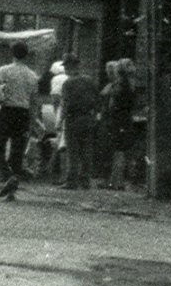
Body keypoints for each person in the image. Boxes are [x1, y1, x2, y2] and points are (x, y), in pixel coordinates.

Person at [0, 41, 40, 202]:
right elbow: (34, 101)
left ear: (12, 53)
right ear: (27, 54)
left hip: (7, 111)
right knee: (17, 151)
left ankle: (6, 175)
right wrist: (32, 121)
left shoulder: (4, 70)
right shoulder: (32, 75)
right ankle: (12, 191)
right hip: (23, 114)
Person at [58, 57, 102, 190]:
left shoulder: (68, 83)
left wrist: (60, 120)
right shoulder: (90, 81)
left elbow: (65, 103)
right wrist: (94, 115)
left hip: (73, 118)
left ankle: (71, 181)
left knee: (73, 151)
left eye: (66, 66)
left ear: (71, 67)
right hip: (88, 118)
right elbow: (97, 100)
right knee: (87, 150)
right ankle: (85, 180)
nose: (65, 69)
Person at [102, 59, 141, 190]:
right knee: (120, 151)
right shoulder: (129, 84)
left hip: (119, 121)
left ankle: (116, 182)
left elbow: (114, 104)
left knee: (118, 151)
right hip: (124, 120)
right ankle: (116, 181)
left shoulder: (120, 85)